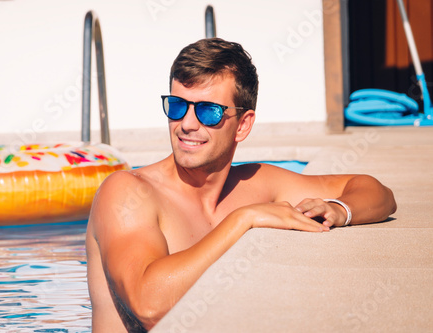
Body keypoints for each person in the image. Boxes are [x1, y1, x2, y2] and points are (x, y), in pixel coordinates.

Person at [85, 38, 396, 333]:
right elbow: (149, 305)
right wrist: (243, 220)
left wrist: (339, 209)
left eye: (208, 111)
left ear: (243, 125)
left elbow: (376, 191)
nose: (188, 124)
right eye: (177, 105)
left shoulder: (255, 183)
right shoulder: (127, 193)